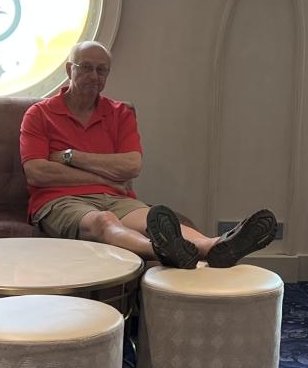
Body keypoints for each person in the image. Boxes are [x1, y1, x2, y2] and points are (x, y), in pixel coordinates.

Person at [19, 41, 277, 269]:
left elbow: (132, 165)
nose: (94, 76)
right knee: (104, 222)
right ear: (69, 69)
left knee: (158, 222)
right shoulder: (39, 114)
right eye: (86, 67)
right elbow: (37, 172)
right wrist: (105, 178)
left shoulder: (119, 113)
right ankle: (162, 251)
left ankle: (215, 246)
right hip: (60, 200)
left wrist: (71, 156)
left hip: (116, 198)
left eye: (101, 70)